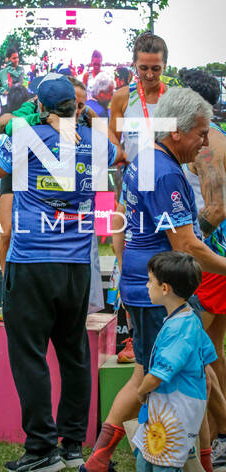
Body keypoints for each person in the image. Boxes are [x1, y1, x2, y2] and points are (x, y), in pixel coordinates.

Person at [0, 75, 124, 472]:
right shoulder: (95, 142)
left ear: (40, 106)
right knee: (74, 354)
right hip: (76, 266)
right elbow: (118, 154)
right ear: (77, 105)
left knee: (29, 355)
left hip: (32, 261)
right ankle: (72, 446)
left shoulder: (26, 137)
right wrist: (87, 122)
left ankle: (41, 449)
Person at [83, 87, 226, 472]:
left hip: (148, 285)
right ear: (177, 131)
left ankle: (199, 459)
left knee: (193, 372)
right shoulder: (165, 172)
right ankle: (103, 458)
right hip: (161, 292)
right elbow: (186, 245)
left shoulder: (147, 159)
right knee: (152, 377)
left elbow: (122, 223)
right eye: (201, 133)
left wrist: (127, 271)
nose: (205, 142)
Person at [179, 69, 226, 469]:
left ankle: (218, 434)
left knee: (196, 351)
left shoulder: (207, 146)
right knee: (212, 350)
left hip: (210, 258)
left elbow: (217, 207)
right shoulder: (215, 136)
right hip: (215, 257)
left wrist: (189, 245)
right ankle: (218, 435)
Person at [132, 252, 217, 472]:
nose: (147, 286)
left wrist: (141, 392)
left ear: (165, 288)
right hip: (169, 408)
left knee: (163, 464)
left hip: (174, 412)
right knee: (145, 458)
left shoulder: (179, 329)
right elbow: (207, 360)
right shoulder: (189, 317)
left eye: (150, 281)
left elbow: (157, 375)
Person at [109, 33, 168, 164]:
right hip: (134, 173)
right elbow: (113, 145)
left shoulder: (175, 99)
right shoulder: (122, 97)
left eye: (156, 68)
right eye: (143, 68)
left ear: (164, 65)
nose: (149, 74)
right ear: (135, 64)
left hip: (167, 175)